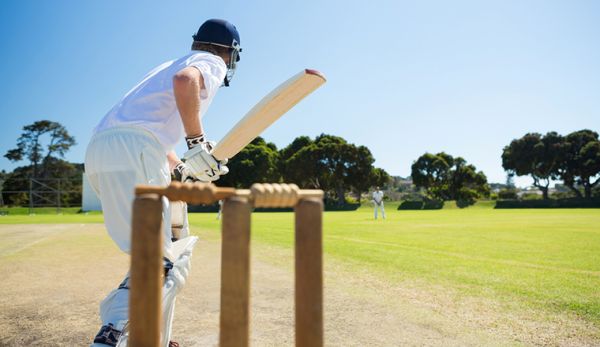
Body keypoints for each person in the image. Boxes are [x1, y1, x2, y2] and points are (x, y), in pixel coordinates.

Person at [85, 19, 242, 347]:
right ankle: (114, 332)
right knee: (163, 262)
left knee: (168, 245)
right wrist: (198, 142)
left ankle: (153, 338)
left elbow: (154, 135)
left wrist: (183, 168)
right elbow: (185, 82)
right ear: (230, 52)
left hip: (102, 151)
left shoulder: (168, 64)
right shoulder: (209, 62)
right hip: (135, 152)